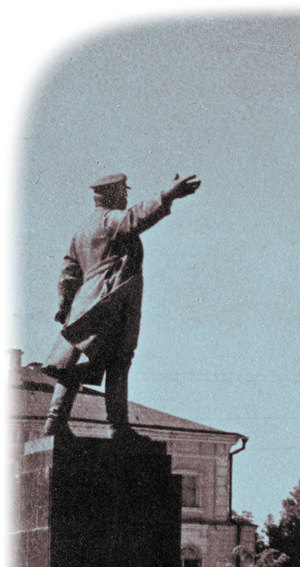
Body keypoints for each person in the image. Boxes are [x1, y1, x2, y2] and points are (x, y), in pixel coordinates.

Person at [41, 172, 202, 438]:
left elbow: (67, 273)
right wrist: (167, 195)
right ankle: (117, 426)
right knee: (119, 359)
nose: (127, 196)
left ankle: (55, 421)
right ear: (112, 194)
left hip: (87, 303)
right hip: (112, 299)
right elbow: (133, 218)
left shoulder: (81, 230)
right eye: (123, 192)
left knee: (77, 360)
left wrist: (66, 306)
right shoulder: (109, 219)